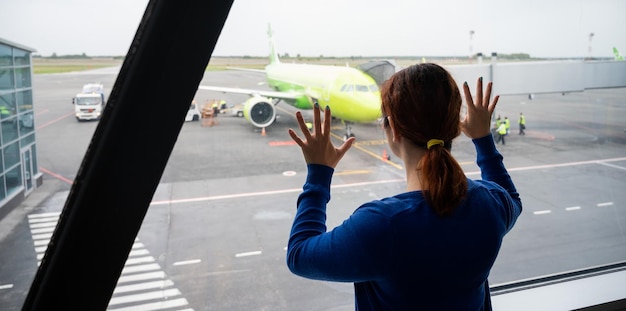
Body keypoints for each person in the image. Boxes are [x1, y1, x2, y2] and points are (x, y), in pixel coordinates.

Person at [287, 63, 522, 310]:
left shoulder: (381, 225)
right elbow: (512, 199)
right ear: (454, 126)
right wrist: (483, 139)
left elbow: (299, 255)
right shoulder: (489, 205)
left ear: (394, 130)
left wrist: (318, 173)